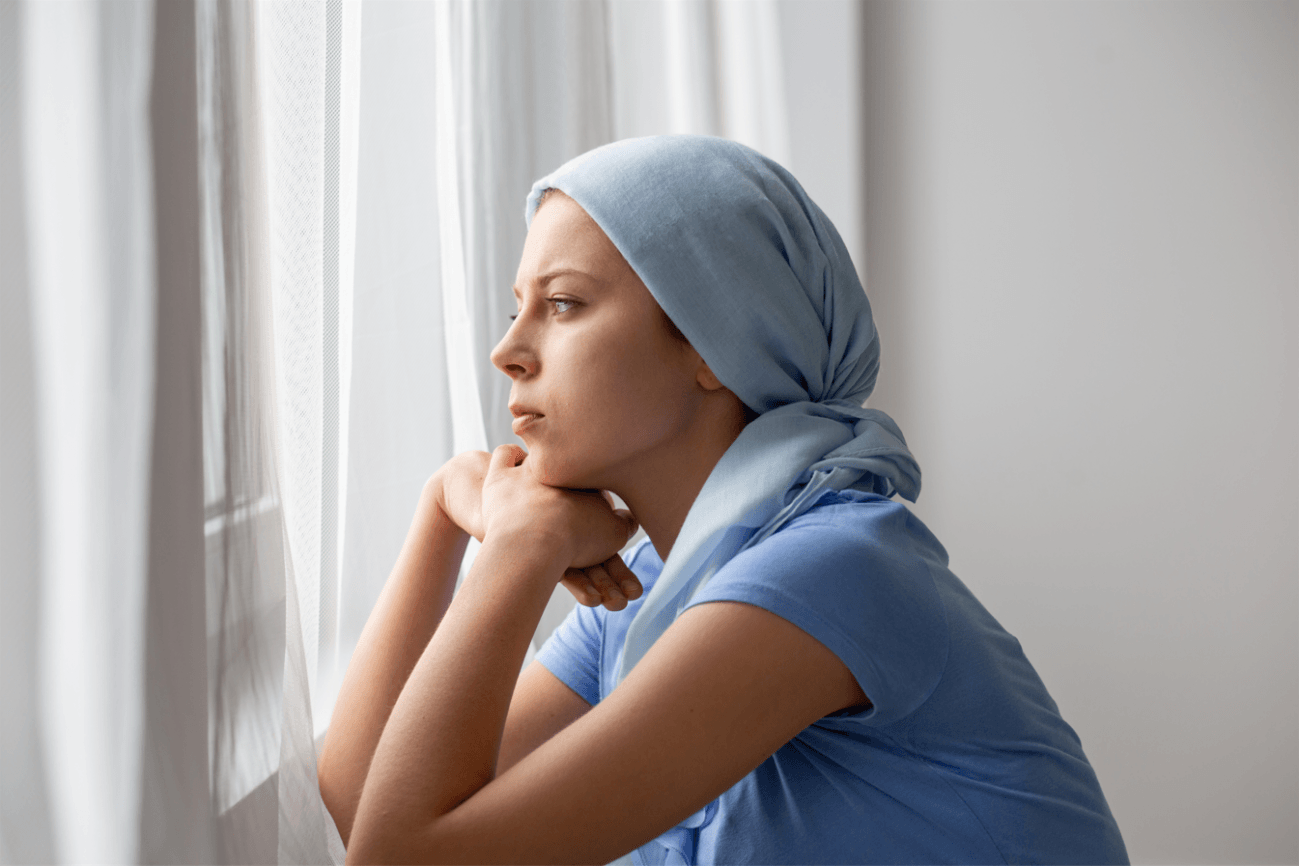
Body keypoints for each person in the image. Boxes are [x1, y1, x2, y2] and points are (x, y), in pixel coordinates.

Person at [318, 135, 1128, 865]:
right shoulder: (648, 591)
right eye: (515, 308)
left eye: (562, 304)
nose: (506, 352)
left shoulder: (825, 572)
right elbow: (364, 801)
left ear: (713, 343)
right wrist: (439, 514)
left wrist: (519, 546)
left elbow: (403, 859)